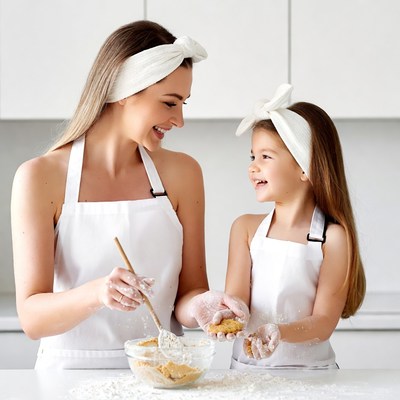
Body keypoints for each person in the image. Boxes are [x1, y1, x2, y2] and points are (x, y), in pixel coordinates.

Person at [11, 20, 246, 369]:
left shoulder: (183, 174)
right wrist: (97, 293)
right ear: (125, 91)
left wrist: (203, 306)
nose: (179, 120)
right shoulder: (40, 177)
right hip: (69, 378)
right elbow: (33, 319)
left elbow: (188, 295)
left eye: (184, 104)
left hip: (164, 373)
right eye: (169, 103)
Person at [225, 83, 366, 370]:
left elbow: (324, 322)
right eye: (253, 156)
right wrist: (226, 312)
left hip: (312, 378)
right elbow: (237, 301)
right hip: (247, 373)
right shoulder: (245, 229)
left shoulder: (333, 238)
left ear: (305, 167)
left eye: (266, 156)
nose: (253, 167)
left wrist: (280, 332)